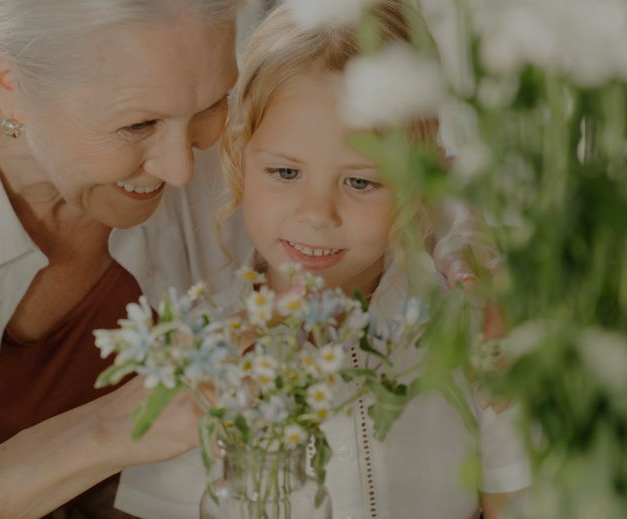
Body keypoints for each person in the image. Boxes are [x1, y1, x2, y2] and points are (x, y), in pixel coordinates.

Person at [0, 1, 493, 518]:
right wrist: (116, 426)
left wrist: (469, 239)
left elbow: (391, 165)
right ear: (9, 81)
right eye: (137, 124)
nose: (180, 168)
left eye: (209, 105)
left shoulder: (214, 145)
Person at [114, 3, 530, 519]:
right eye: (285, 173)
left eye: (360, 182)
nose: (316, 214)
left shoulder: (469, 330)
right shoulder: (202, 351)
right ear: (240, 158)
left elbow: (511, 498)